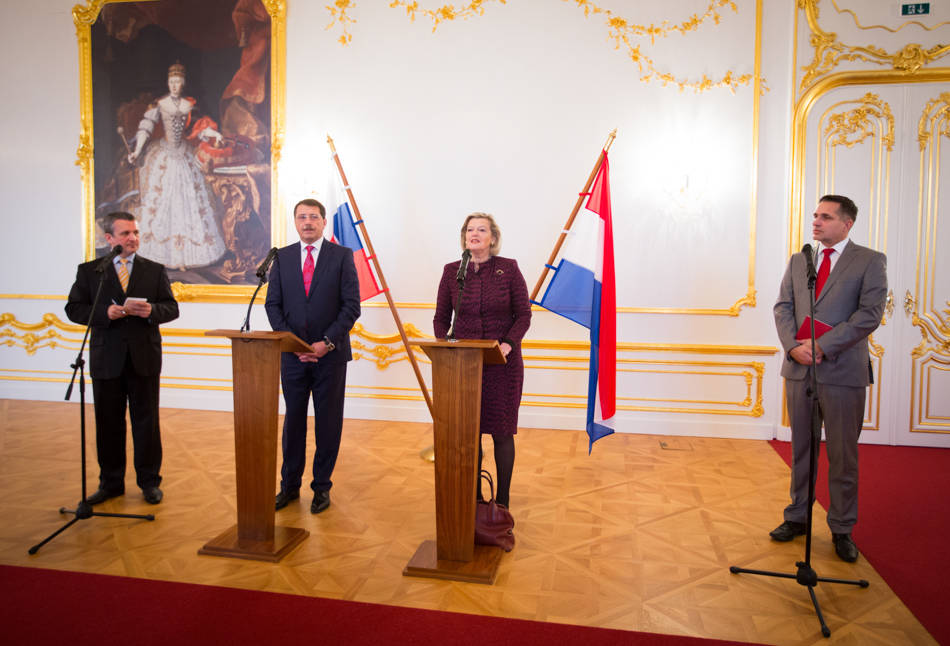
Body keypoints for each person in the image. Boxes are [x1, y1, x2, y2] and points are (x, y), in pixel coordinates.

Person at [771, 194, 887, 563]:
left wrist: (821, 346)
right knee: (802, 450)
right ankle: (797, 517)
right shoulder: (800, 259)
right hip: (799, 369)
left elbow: (869, 314)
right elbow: (783, 307)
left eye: (825, 217)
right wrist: (793, 347)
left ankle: (841, 528)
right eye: (815, 216)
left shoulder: (870, 261)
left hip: (842, 372)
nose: (816, 222)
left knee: (842, 454)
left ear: (846, 223)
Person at [65, 211, 180, 505]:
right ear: (109, 239)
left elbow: (171, 308)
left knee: (146, 423)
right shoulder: (91, 271)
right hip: (107, 359)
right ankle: (111, 483)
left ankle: (149, 482)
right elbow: (74, 309)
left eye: (136, 233)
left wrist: (152, 310)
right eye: (126, 233)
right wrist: (104, 313)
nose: (132, 238)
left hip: (143, 358)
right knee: (108, 423)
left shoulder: (153, 270)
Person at [265, 198, 361, 514]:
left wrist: (326, 343)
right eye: (302, 217)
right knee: (293, 422)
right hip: (293, 357)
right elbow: (272, 305)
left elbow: (351, 306)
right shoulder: (282, 257)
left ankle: (321, 487)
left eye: (313, 217)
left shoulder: (342, 256)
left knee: (327, 424)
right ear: (295, 222)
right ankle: (289, 487)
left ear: (323, 222)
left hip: (329, 357)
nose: (308, 222)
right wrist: (293, 344)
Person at [433, 213, 532, 508]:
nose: (474, 234)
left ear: (493, 237)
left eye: (481, 229)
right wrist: (445, 346)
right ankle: (473, 501)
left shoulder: (509, 269)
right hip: (464, 366)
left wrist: (508, 344)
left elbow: (523, 314)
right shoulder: (452, 272)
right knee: (469, 434)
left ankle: (502, 503)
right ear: (464, 237)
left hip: (502, 366)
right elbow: (441, 318)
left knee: (501, 433)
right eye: (469, 230)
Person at [127, 62, 227, 270]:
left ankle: (188, 256)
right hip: (164, 154)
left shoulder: (189, 106)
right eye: (171, 82)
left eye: (178, 82)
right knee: (162, 200)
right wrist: (137, 150)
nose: (174, 85)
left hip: (184, 154)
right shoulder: (160, 104)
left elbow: (199, 129)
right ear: (168, 83)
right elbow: (146, 127)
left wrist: (214, 134)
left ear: (183, 84)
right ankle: (162, 255)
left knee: (188, 201)